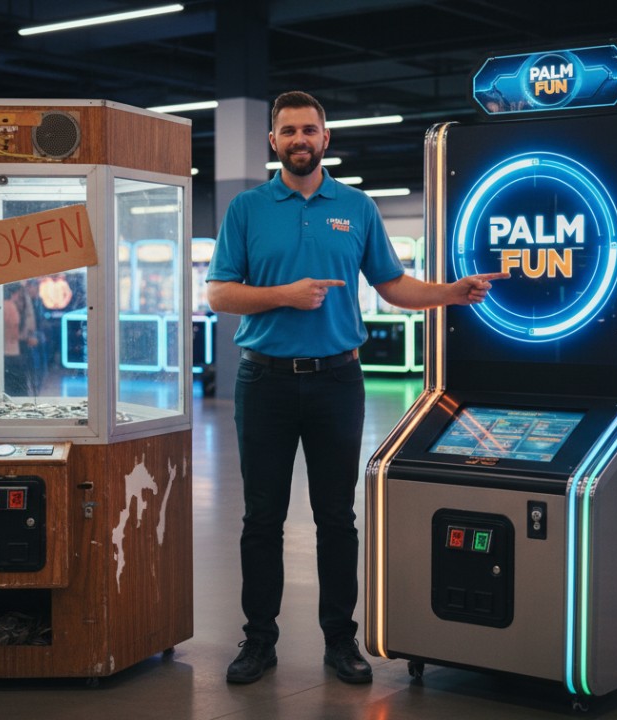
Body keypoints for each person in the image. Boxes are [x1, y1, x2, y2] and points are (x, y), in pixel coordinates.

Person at [206, 90, 501, 686]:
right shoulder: (247, 208)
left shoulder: (357, 207)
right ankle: (258, 641)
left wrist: (451, 291)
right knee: (262, 518)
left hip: (337, 381)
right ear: (273, 142)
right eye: (287, 131)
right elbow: (219, 294)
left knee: (337, 517)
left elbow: (392, 285)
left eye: (309, 129)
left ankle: (341, 641)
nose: (299, 140)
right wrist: (283, 296)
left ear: (325, 138)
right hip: (262, 380)